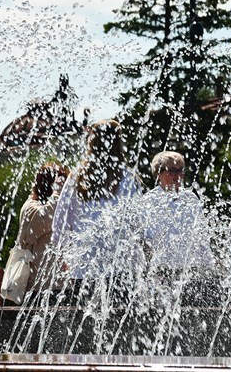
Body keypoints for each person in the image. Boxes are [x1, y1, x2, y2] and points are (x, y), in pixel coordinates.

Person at [52, 119, 144, 298]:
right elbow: (138, 224)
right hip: (121, 266)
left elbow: (61, 222)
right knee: (120, 322)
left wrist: (65, 255)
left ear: (90, 142)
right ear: (118, 143)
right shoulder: (129, 178)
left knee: (84, 321)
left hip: (84, 265)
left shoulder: (77, 177)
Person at [141, 151, 213, 305]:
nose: (177, 175)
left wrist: (208, 267)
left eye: (180, 170)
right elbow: (145, 240)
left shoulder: (191, 199)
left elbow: (201, 236)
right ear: (158, 173)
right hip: (161, 272)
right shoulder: (149, 201)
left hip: (188, 272)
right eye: (172, 170)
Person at [17, 162, 68, 302]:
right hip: (40, 288)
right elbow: (47, 217)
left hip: (61, 285)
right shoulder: (30, 207)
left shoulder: (58, 208)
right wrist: (58, 192)